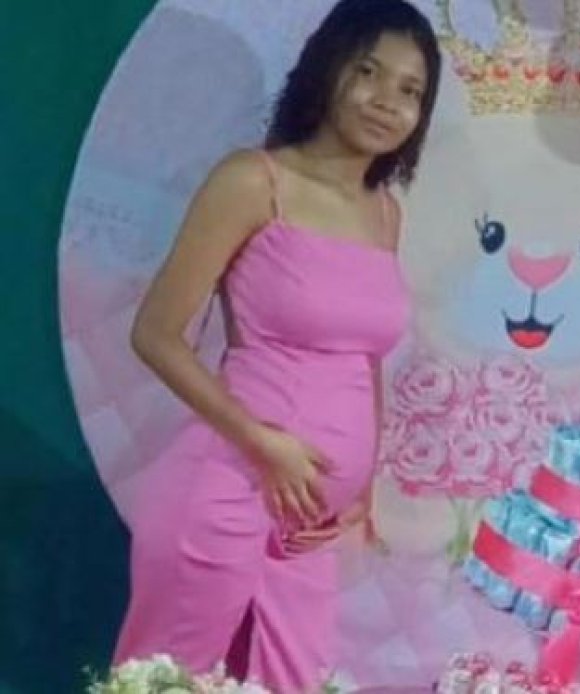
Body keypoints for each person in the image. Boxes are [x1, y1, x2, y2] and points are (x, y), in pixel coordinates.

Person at [113, 0, 441, 690]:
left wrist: (359, 490)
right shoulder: (253, 180)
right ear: (328, 69)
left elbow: (364, 360)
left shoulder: (385, 213)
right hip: (228, 485)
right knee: (171, 681)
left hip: (309, 524)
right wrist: (263, 443)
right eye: (368, 72)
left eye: (411, 90)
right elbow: (156, 334)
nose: (388, 101)